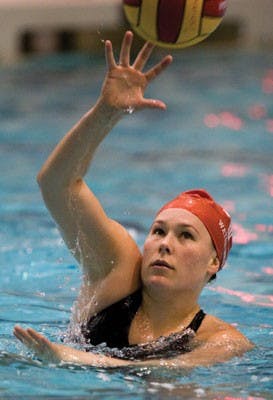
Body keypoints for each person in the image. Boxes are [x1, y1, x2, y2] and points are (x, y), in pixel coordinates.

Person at [13, 31, 253, 368]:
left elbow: (165, 372)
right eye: (158, 231)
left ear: (213, 262)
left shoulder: (223, 341)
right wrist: (105, 114)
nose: (164, 244)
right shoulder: (119, 270)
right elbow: (57, 185)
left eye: (185, 235)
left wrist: (72, 358)